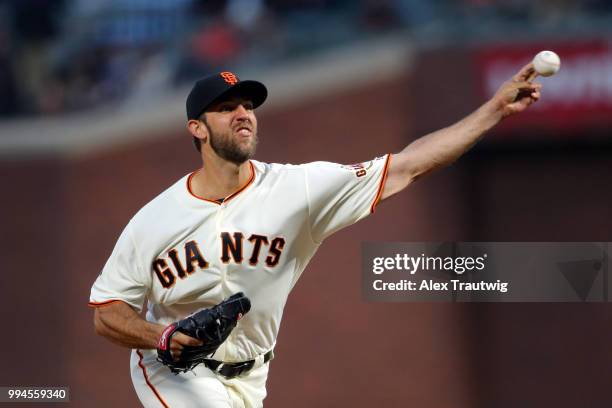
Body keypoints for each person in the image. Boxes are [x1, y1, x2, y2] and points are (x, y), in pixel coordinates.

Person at [89, 66, 542, 407]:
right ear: (197, 129)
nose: (243, 115)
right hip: (172, 371)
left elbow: (408, 164)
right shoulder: (155, 219)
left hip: (251, 377)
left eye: (248, 106)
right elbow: (108, 311)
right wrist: (160, 336)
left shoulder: (298, 189)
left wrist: (494, 110)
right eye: (226, 109)